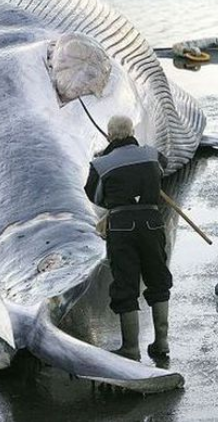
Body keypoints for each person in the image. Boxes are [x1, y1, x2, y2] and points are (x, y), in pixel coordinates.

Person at [84, 115, 171, 361]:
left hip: (122, 225)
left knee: (126, 283)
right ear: (132, 132)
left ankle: (131, 348)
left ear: (110, 135)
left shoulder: (100, 164)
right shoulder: (152, 154)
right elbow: (162, 171)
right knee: (158, 278)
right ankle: (162, 342)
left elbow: (95, 196)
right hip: (152, 221)